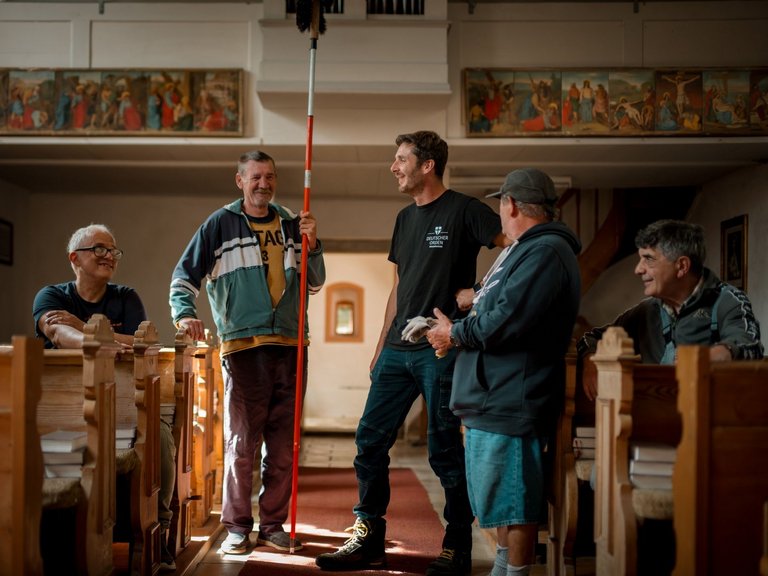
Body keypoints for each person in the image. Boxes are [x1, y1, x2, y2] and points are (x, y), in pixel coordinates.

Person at [315, 130, 506, 575]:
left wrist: (477, 292)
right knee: (369, 441)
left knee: (443, 451)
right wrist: (382, 344)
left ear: (427, 165)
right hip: (398, 352)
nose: (393, 166)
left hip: (440, 348)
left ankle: (456, 543)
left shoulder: (465, 210)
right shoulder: (404, 218)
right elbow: (399, 287)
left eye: (402, 159)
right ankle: (368, 536)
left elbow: (514, 247)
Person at [169, 150, 326, 556]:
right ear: (239, 180)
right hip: (243, 345)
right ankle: (237, 526)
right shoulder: (219, 224)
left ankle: (273, 525)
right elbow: (183, 277)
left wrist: (314, 242)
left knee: (284, 444)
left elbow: (314, 282)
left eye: (269, 176)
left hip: (291, 344)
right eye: (255, 177)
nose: (263, 184)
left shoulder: (291, 221)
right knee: (242, 442)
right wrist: (185, 316)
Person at [426, 168, 582, 576]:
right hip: (492, 394)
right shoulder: (523, 249)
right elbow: (493, 305)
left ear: (510, 204)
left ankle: (513, 572)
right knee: (497, 499)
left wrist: (454, 332)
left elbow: (505, 319)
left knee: (514, 499)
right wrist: (470, 308)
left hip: (511, 395)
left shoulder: (545, 251)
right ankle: (502, 567)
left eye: (500, 203)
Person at [32, 223, 178, 572]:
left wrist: (84, 328)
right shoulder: (51, 295)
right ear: (75, 258)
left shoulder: (126, 297)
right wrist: (98, 341)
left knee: (159, 437)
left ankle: (161, 531)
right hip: (65, 406)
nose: (109, 255)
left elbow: (145, 344)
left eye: (113, 250)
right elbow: (56, 330)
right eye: (99, 249)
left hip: (128, 404)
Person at [577, 219, 764, 401]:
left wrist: (704, 358)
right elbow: (591, 338)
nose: (638, 269)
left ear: (682, 266)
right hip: (655, 420)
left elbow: (750, 346)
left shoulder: (727, 301)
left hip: (709, 421)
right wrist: (590, 362)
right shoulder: (646, 311)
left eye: (648, 259)